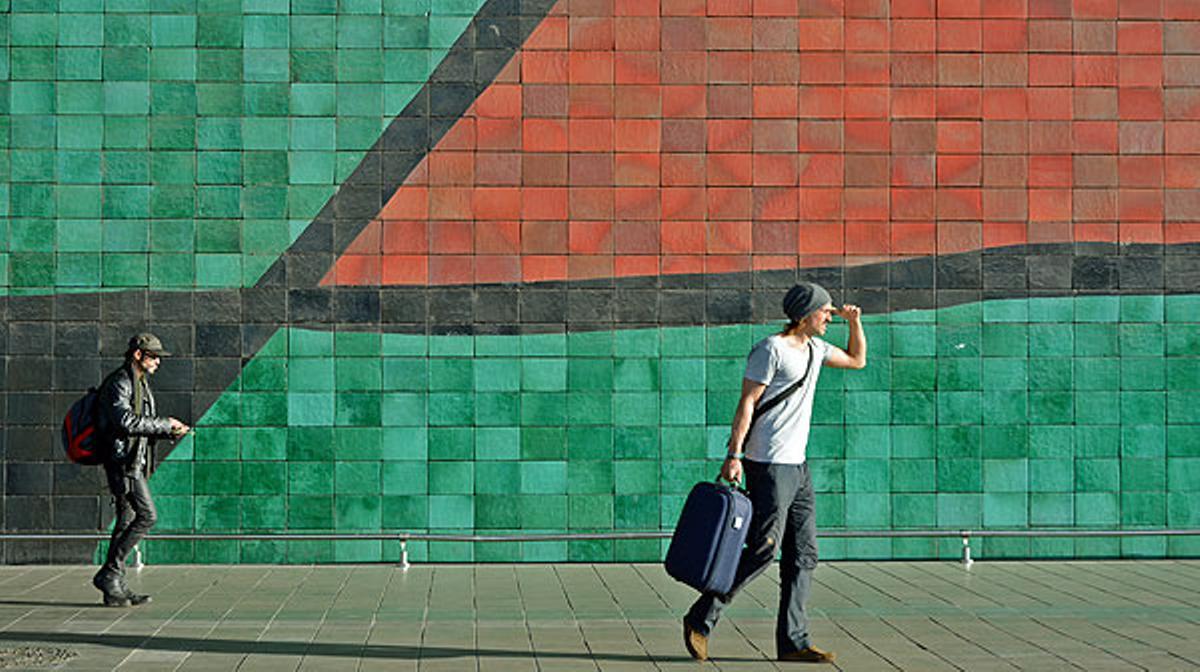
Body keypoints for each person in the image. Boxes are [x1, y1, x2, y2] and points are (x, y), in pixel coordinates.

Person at [683, 282, 866, 663]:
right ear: (804, 314)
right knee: (765, 550)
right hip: (767, 463)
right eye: (825, 311)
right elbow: (747, 403)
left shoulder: (816, 350)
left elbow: (857, 360)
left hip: (798, 466)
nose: (830, 316)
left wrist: (854, 323)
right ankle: (702, 617)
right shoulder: (771, 349)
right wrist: (734, 455)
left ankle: (793, 642)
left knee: (804, 554)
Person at [92, 333, 190, 607]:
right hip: (124, 464)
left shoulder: (140, 384)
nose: (158, 361)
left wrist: (169, 431)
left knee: (126, 519)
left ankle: (114, 588)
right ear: (138, 354)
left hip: (134, 461)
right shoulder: (120, 382)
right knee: (147, 516)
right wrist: (165, 423)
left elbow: (141, 426)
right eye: (153, 356)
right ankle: (110, 573)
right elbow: (125, 421)